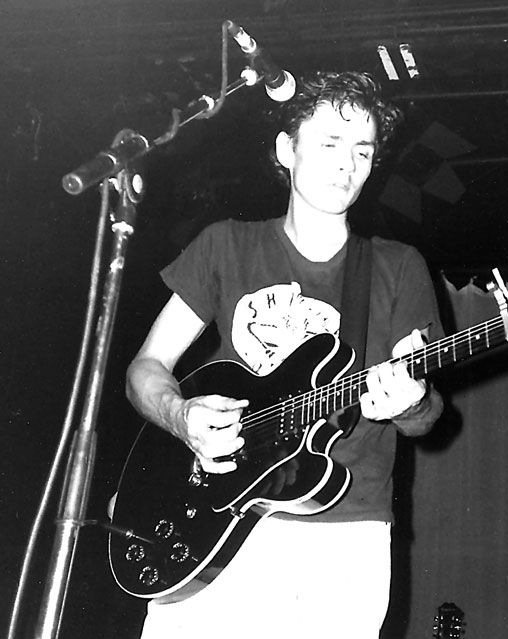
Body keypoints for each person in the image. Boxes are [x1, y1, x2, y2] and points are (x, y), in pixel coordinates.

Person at [125, 71, 444, 638]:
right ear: (285, 150)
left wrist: (411, 400)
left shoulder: (398, 266)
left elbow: (425, 413)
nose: (347, 165)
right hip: (219, 521)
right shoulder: (226, 244)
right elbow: (146, 369)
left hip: (346, 537)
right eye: (329, 144)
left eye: (362, 151)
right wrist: (182, 417)